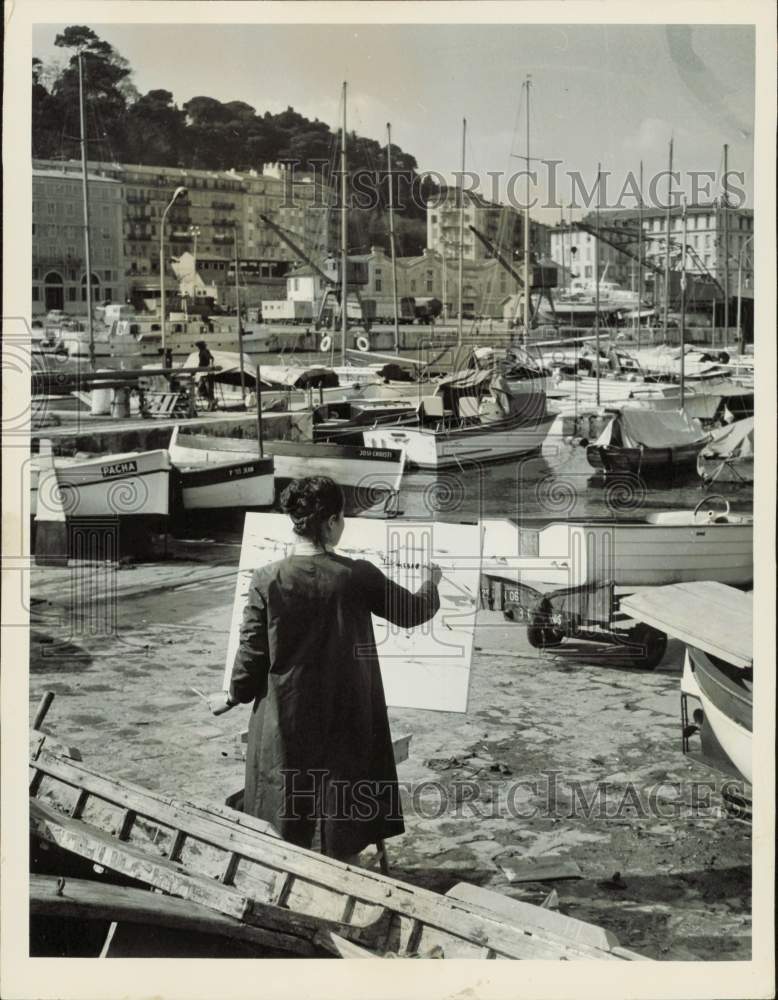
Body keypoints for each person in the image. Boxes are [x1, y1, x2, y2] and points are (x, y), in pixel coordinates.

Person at [208, 477, 442, 864]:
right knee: (342, 810)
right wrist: (430, 584)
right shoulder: (357, 575)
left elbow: (251, 657)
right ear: (332, 522)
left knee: (286, 806)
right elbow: (411, 612)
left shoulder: (268, 579)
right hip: (346, 714)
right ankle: (343, 874)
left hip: (286, 714)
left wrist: (230, 697)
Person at [195, 340, 215, 410]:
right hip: (207, 373)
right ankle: (211, 403)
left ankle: (211, 403)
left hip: (205, 373)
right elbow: (212, 358)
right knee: (208, 390)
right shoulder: (207, 351)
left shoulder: (202, 352)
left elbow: (202, 362)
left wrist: (196, 370)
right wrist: (211, 365)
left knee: (202, 389)